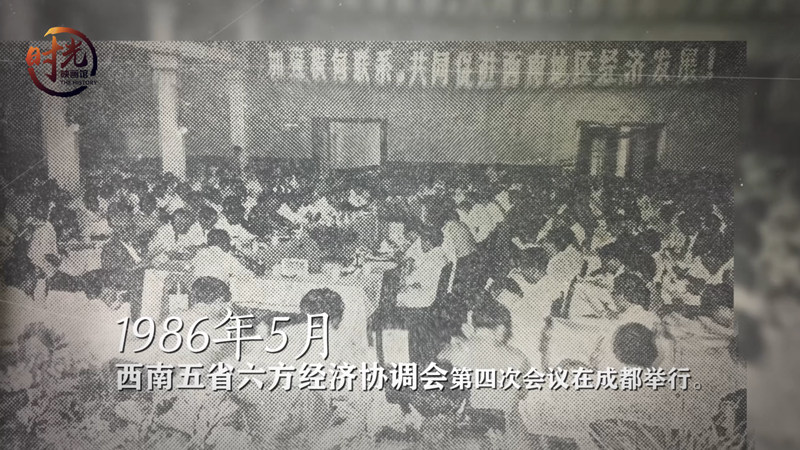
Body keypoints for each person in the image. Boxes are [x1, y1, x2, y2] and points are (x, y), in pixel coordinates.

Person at [438, 301, 529, 445]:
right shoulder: (519, 358)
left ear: (473, 324)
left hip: (459, 439)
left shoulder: (449, 353)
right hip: (505, 440)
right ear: (501, 328)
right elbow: (523, 394)